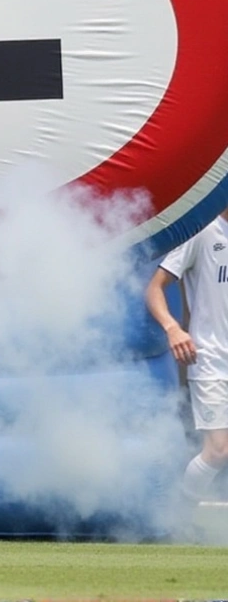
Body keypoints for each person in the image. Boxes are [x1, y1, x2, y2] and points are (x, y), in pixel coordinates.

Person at [146, 208, 228, 503]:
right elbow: (155, 287)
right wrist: (173, 328)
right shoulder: (202, 232)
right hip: (211, 362)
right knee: (219, 450)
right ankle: (182, 514)